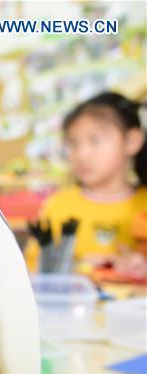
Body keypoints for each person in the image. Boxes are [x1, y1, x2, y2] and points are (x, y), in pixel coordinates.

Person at [39, 92, 147, 261]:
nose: (82, 155)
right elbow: (33, 269)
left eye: (95, 140)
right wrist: (78, 267)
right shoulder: (57, 206)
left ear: (132, 141)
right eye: (73, 143)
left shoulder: (143, 206)